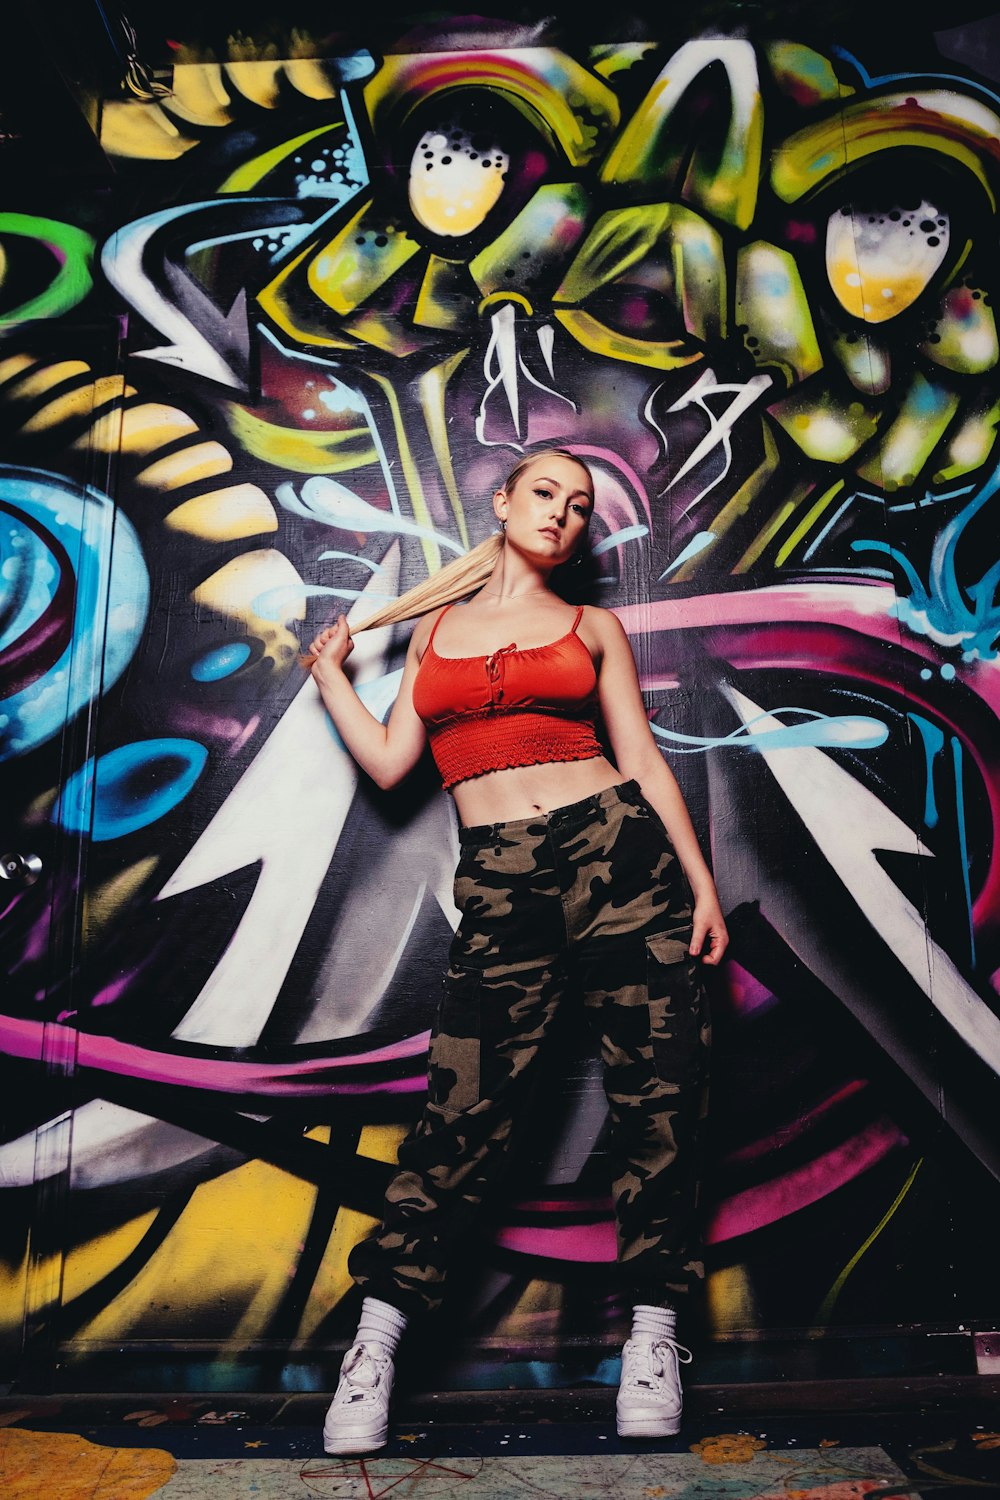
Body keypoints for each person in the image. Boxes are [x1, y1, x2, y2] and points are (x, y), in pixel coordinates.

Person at [303, 448, 728, 1456]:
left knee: (658, 1105)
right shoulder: (435, 634)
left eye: (580, 506)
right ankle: (375, 1349)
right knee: (461, 1120)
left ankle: (653, 1343)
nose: (562, 513)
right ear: (501, 501)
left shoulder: (592, 627)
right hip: (500, 879)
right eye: (545, 492)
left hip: (622, 860)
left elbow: (641, 761)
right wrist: (330, 676)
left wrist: (701, 886)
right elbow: (393, 763)